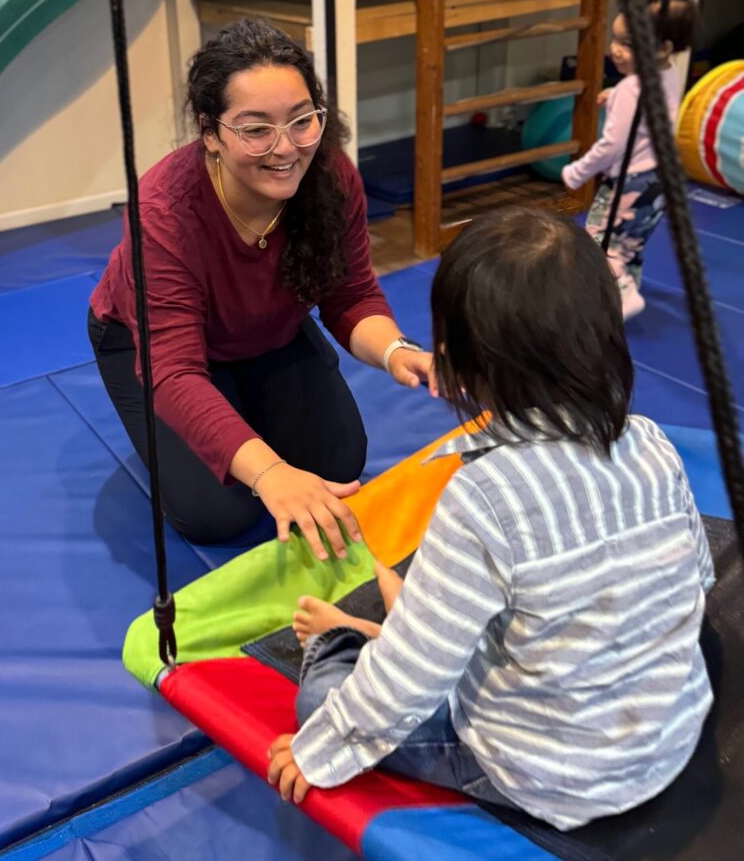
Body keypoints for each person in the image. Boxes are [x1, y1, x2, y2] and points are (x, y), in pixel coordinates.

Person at [267, 206, 714, 831]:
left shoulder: (485, 497)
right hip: (669, 737)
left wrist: (319, 751)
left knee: (324, 699)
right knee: (507, 596)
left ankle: (358, 635)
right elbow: (696, 583)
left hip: (557, 775)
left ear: (460, 363)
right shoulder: (649, 441)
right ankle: (416, 620)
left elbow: (407, 686)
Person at [89, 18, 436, 559]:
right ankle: (211, 421)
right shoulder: (165, 212)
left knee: (338, 463)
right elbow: (174, 371)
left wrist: (398, 352)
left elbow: (351, 297)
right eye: (255, 129)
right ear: (211, 133)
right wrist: (270, 472)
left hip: (265, 328)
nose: (285, 148)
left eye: (302, 121)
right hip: (154, 347)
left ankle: (240, 402)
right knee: (218, 513)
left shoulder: (331, 177)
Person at [561, 0, 699, 319]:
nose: (615, 50)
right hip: (660, 180)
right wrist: (617, 97)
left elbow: (612, 146)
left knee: (596, 241)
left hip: (629, 183)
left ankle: (620, 292)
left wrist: (577, 171)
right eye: (616, 38)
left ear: (663, 47)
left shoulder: (629, 90)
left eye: (629, 44)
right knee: (629, 245)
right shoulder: (669, 73)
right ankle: (618, 296)